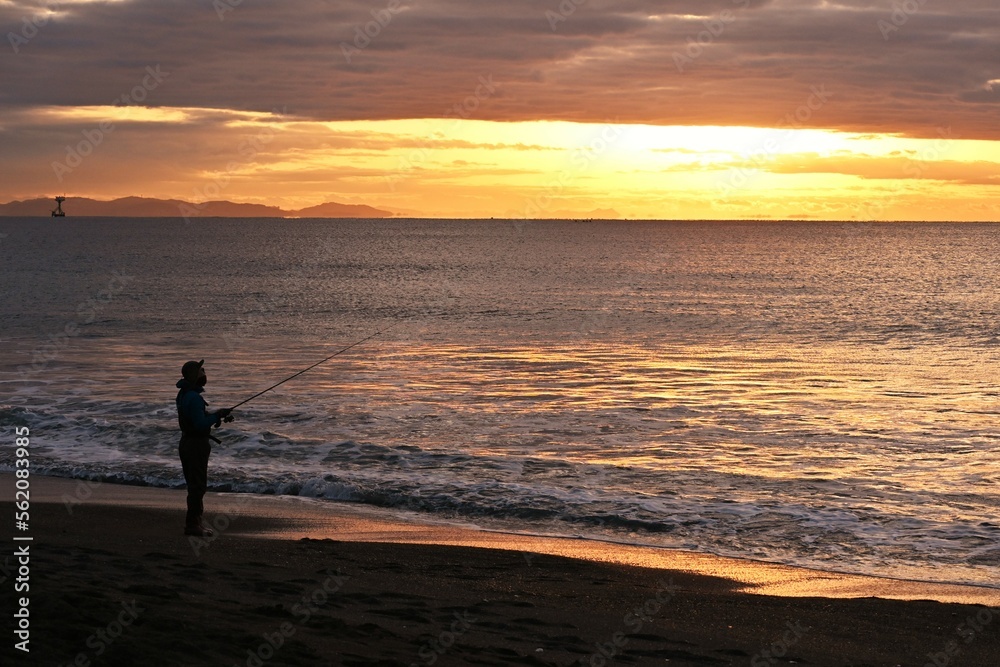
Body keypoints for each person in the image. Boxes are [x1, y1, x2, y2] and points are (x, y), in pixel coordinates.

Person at [175, 359, 233, 537]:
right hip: (196, 445)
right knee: (198, 487)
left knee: (194, 485)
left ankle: (194, 523)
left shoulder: (184, 394)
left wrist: (217, 415)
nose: (204, 373)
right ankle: (193, 525)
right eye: (201, 370)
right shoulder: (195, 397)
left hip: (186, 442)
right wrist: (216, 417)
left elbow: (196, 417)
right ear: (194, 375)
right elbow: (200, 424)